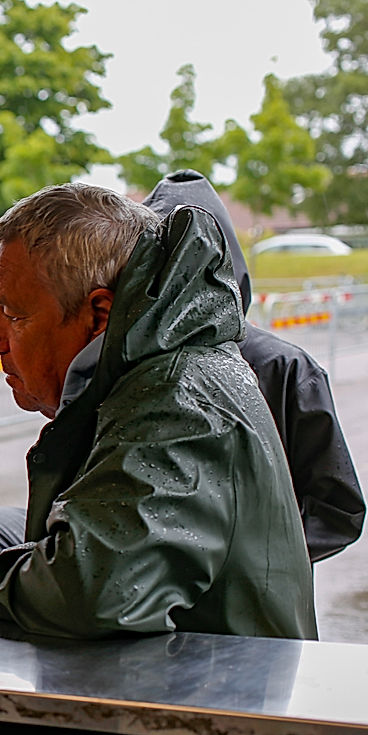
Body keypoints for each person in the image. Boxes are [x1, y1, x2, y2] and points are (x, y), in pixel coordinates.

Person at [0, 183, 317, 639]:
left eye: (14, 315)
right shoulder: (157, 378)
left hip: (216, 702)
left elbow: (98, 588)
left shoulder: (176, 401)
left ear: (99, 315)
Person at [143, 170, 365, 562]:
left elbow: (337, 508)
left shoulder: (284, 368)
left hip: (261, 607)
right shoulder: (131, 361)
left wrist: (260, 564)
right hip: (152, 597)